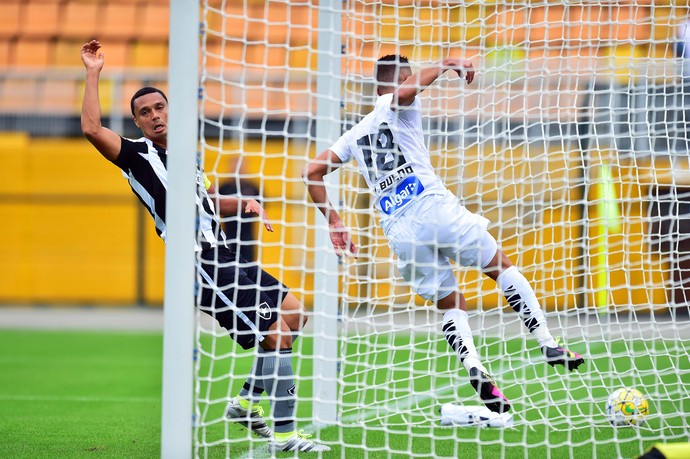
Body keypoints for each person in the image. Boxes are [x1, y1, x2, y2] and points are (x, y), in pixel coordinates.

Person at [80, 40, 329, 453]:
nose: (155, 116)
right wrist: (93, 72)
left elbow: (206, 200)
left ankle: (247, 401)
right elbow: (91, 129)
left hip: (226, 252)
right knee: (276, 335)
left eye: (159, 108)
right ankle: (284, 436)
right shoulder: (136, 156)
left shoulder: (187, 155)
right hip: (198, 264)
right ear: (138, 124)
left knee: (295, 313)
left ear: (169, 110)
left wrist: (243, 203)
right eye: (145, 113)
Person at [302, 54, 585, 415]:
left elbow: (311, 172)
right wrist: (447, 61)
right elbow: (404, 95)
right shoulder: (397, 106)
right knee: (499, 265)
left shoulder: (354, 134)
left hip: (399, 230)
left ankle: (476, 370)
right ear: (401, 79)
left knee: (451, 303)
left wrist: (335, 221)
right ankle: (546, 342)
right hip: (432, 208)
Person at [218, 157, 262, 262]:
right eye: (235, 165)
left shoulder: (253, 187)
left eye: (241, 165)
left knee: (249, 267)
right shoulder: (223, 187)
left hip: (247, 237)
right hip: (228, 235)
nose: (238, 168)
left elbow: (261, 208)